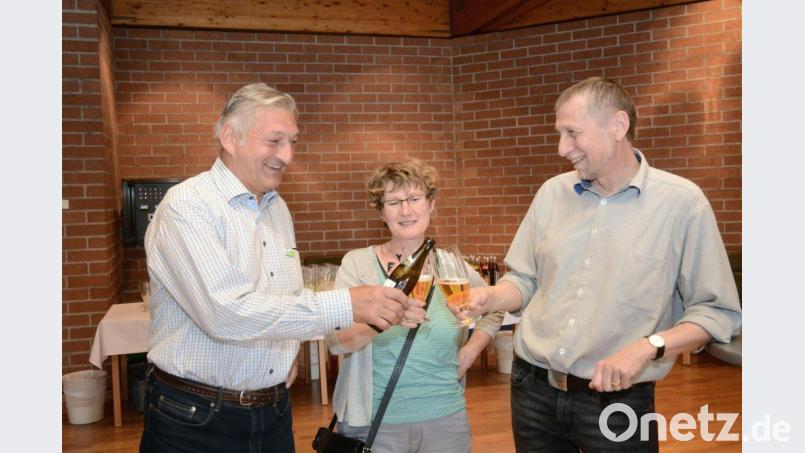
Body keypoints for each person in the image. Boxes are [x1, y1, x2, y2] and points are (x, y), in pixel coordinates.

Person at [140, 83, 425, 453]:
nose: (287, 155)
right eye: (275, 141)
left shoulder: (277, 208)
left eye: (292, 141)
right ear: (230, 137)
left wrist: (280, 357)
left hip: (272, 410)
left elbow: (284, 298)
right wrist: (347, 304)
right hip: (197, 419)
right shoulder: (188, 207)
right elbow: (224, 314)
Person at [465, 77, 742, 452]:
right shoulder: (551, 194)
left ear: (618, 126)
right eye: (559, 133)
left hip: (619, 402)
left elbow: (717, 312)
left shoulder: (682, 204)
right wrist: (493, 297)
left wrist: (648, 346)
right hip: (531, 391)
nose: (562, 148)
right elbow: (527, 279)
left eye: (572, 133)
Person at [325, 159, 504, 453]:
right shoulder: (358, 265)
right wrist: (385, 318)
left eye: (414, 199)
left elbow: (494, 306)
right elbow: (336, 341)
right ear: (381, 212)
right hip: (373, 423)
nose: (406, 211)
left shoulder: (451, 267)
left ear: (431, 204)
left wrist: (470, 352)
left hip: (446, 419)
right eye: (393, 202)